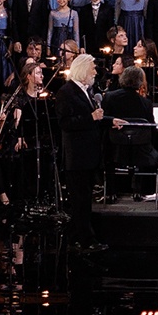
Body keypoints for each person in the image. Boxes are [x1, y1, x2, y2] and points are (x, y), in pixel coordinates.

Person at [56, 54, 105, 250]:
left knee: (84, 199)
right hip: (76, 156)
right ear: (83, 69)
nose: (95, 72)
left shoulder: (86, 91)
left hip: (88, 155)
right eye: (93, 68)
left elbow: (94, 117)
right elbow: (65, 123)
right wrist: (91, 117)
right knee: (80, 200)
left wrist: (110, 120)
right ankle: (86, 241)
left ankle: (75, 237)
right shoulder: (66, 92)